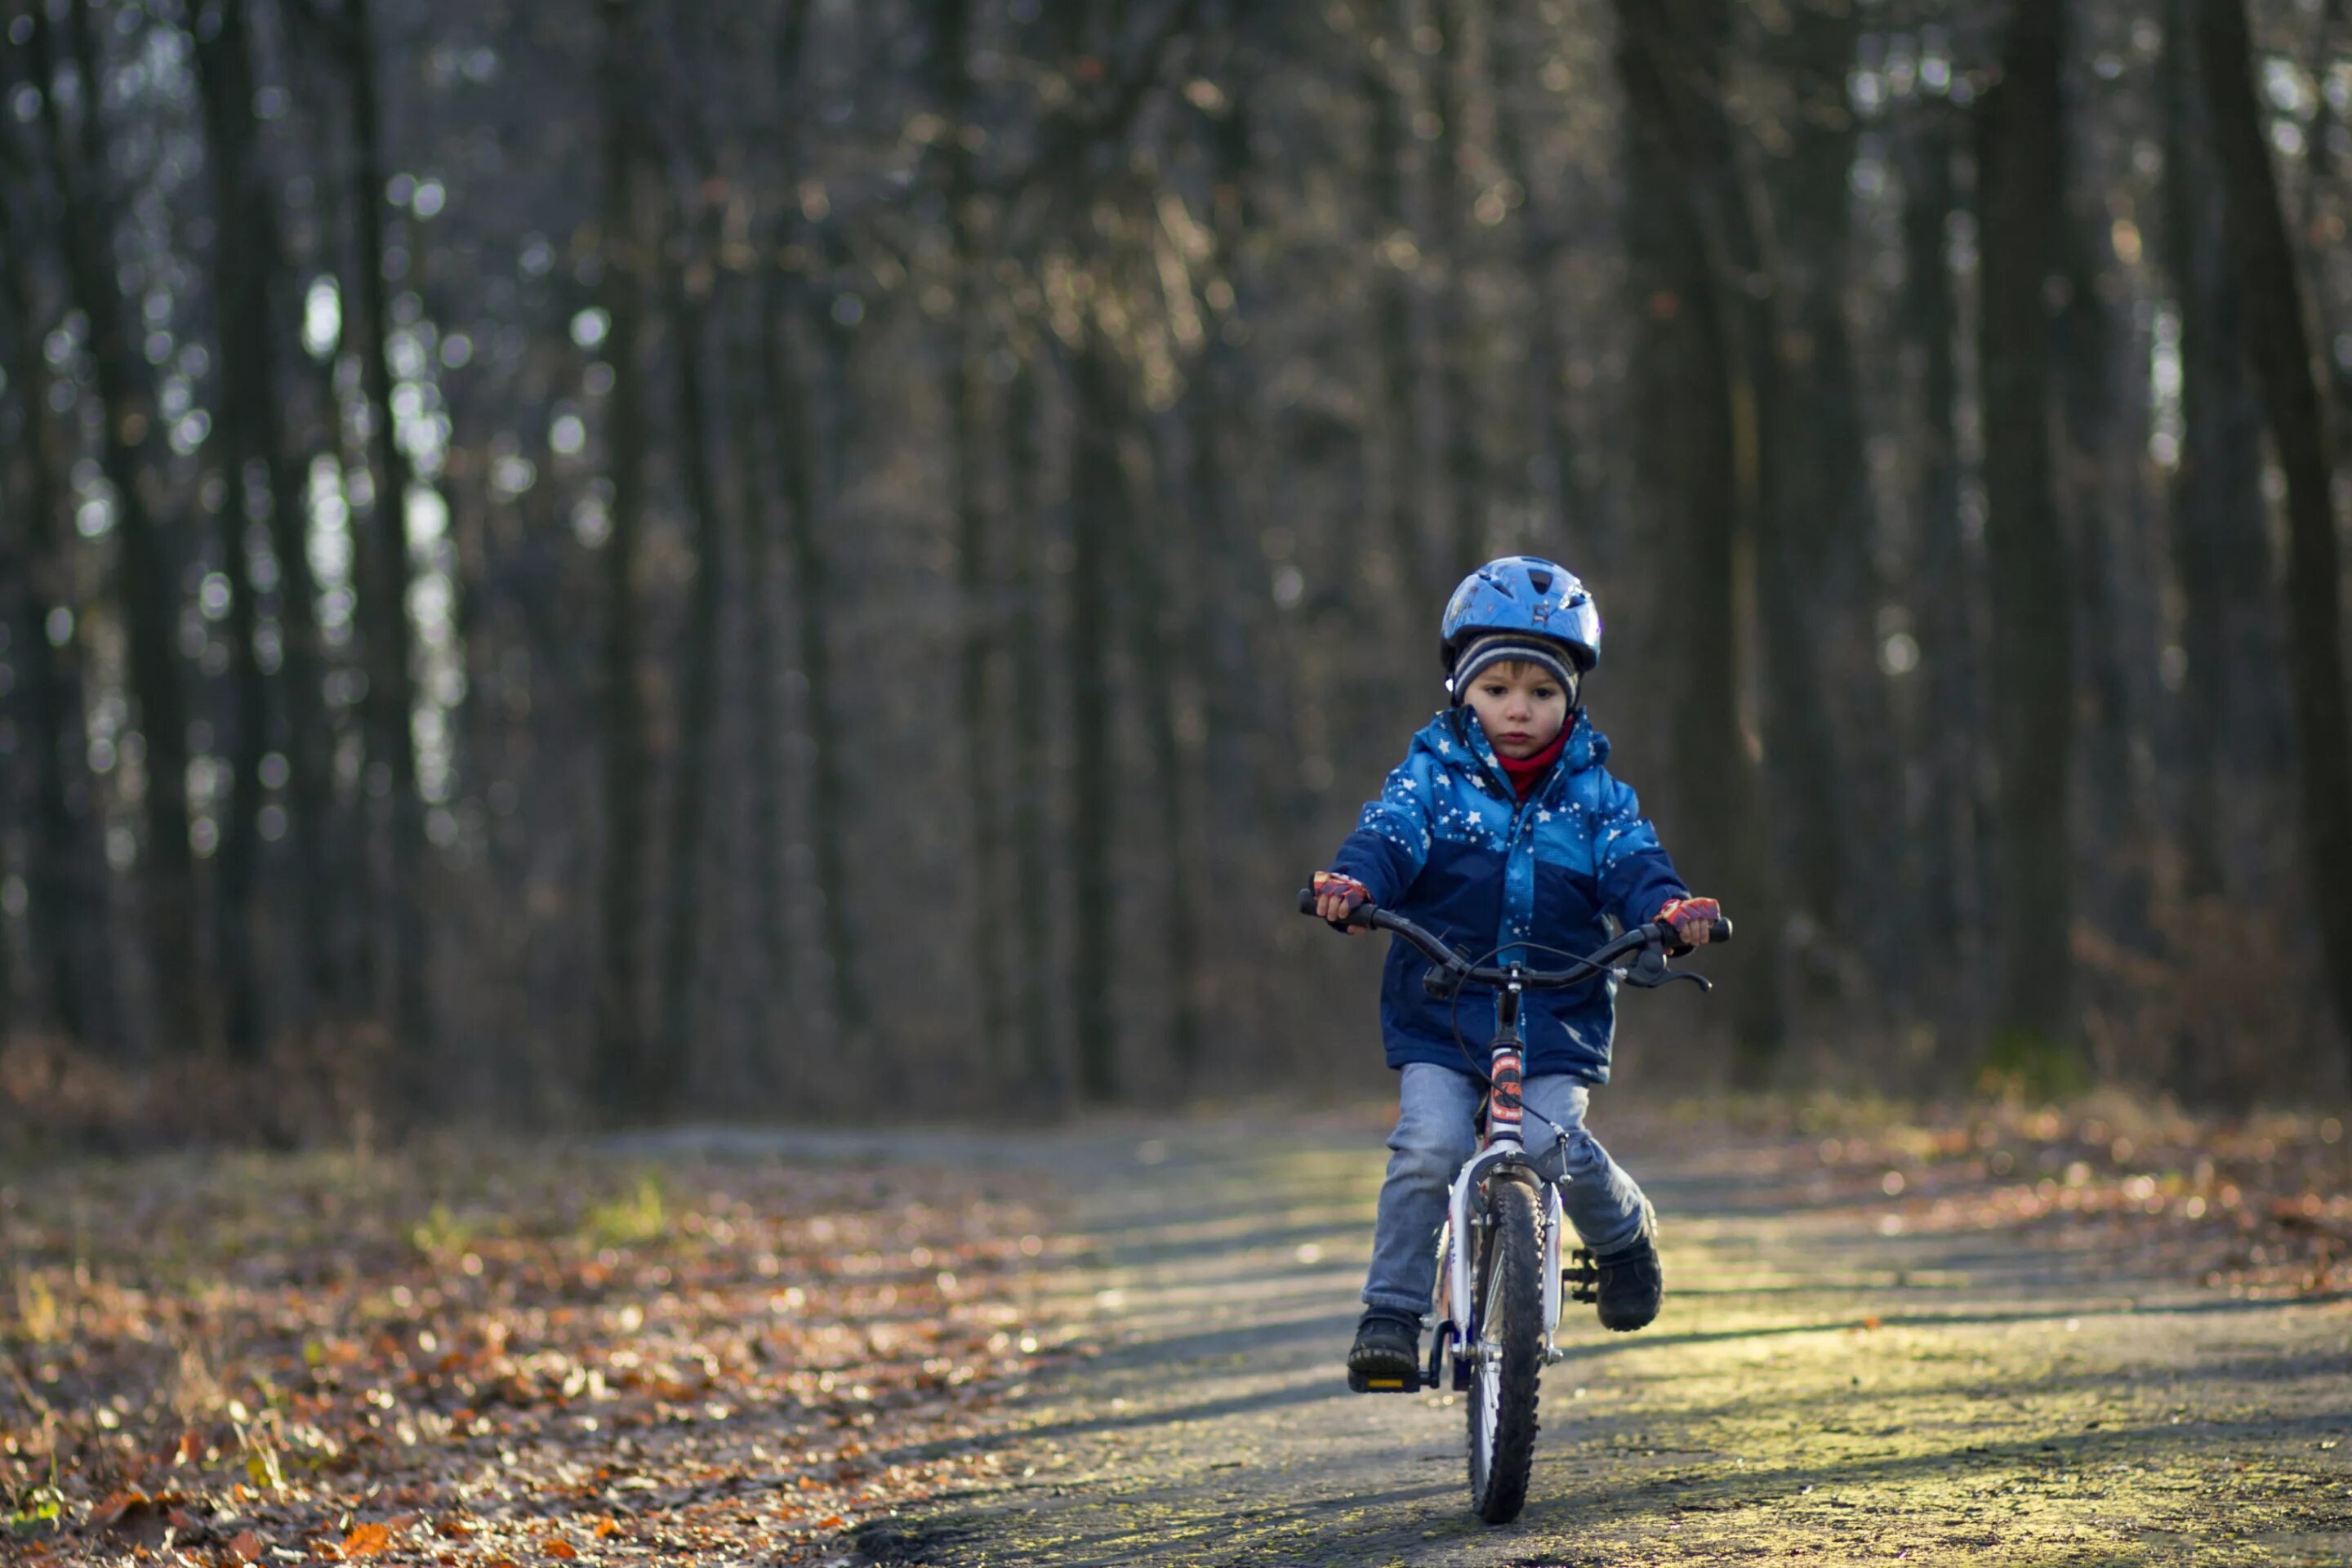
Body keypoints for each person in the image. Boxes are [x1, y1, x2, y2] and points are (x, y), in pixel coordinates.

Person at [1308, 555, 1723, 1392]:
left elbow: (1633, 865)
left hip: (1556, 1005)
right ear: (1464, 690)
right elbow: (1390, 838)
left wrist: (1670, 910)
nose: (1518, 709)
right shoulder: (1430, 779)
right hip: (1445, 1002)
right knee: (1427, 1147)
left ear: (1570, 699)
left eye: (1540, 691)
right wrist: (1356, 883)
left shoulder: (1596, 797)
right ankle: (1390, 1313)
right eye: (1497, 688)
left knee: (1548, 1144)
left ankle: (1623, 1236)